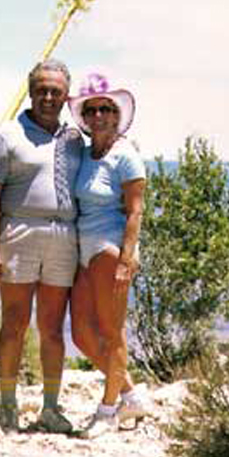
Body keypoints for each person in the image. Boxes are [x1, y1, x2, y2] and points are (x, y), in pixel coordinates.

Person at [0, 59, 83, 434]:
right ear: (30, 92)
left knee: (53, 329)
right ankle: (7, 406)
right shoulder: (8, 135)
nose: (49, 97)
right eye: (42, 90)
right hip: (18, 234)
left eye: (56, 91)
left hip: (62, 237)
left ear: (66, 95)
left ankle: (50, 408)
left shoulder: (74, 140)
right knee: (14, 323)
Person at [68, 73, 148, 438]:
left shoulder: (126, 156)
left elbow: (135, 212)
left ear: (116, 116)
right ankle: (130, 394)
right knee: (83, 334)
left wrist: (126, 259)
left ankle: (107, 410)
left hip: (109, 249)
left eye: (105, 109)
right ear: (84, 117)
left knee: (111, 332)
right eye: (92, 109)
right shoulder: (85, 155)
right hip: (83, 249)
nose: (99, 115)